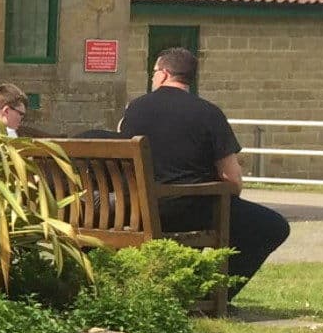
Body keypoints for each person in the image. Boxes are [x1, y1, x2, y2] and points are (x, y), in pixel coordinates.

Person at [119, 48, 290, 297]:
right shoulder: (208, 113)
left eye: (154, 73)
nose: (153, 78)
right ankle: (214, 295)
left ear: (165, 74)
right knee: (272, 226)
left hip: (137, 208)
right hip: (191, 210)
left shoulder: (134, 110)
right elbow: (232, 179)